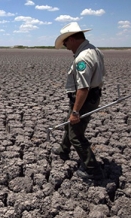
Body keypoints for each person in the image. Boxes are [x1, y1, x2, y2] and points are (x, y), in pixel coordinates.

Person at [52, 22, 106, 180]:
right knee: (70, 123)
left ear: (73, 39)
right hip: (90, 97)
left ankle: (93, 170)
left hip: (84, 99)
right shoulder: (94, 50)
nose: (66, 46)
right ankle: (63, 149)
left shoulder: (82, 58)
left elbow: (83, 88)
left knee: (76, 134)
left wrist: (75, 111)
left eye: (66, 42)